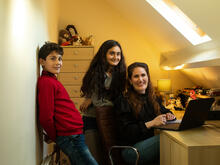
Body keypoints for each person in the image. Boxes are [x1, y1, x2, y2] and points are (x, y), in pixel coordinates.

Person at [37, 42, 98, 165]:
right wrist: (55, 137)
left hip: (73, 134)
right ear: (42, 62)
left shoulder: (52, 80)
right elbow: (45, 117)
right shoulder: (46, 83)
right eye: (52, 58)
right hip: (70, 136)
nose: (58, 62)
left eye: (60, 59)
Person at [114, 62, 176, 165]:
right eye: (136, 76)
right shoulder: (123, 101)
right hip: (131, 150)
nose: (140, 79)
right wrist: (151, 123)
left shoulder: (152, 97)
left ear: (148, 77)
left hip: (148, 144)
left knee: (172, 139)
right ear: (130, 80)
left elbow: (164, 110)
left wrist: (169, 115)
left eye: (143, 75)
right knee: (168, 139)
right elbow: (126, 132)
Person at [80, 40, 126, 163]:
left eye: (118, 54)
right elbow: (100, 102)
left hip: (109, 119)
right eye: (112, 53)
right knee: (95, 158)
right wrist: (92, 98)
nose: (116, 57)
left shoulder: (120, 73)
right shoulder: (96, 72)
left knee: (109, 155)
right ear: (104, 54)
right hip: (92, 119)